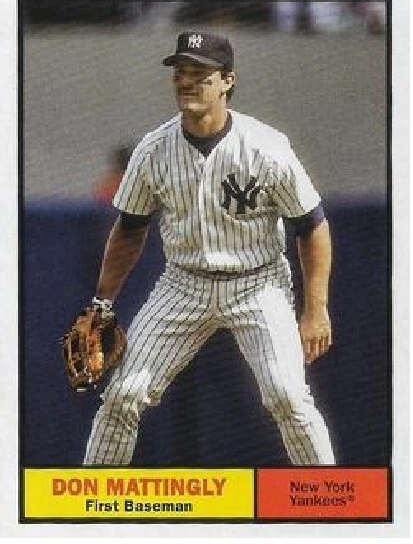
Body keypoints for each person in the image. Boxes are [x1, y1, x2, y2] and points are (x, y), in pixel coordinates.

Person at [83, 30, 335, 465]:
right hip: (183, 284)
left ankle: (331, 501)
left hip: (257, 283)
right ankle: (91, 503)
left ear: (227, 82)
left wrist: (316, 310)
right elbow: (129, 229)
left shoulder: (265, 147)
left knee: (288, 397)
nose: (187, 81)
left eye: (200, 74)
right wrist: (103, 302)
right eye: (180, 72)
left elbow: (312, 227)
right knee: (122, 395)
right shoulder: (153, 150)